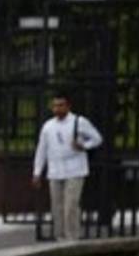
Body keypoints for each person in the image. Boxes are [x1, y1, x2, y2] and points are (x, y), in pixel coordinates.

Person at [32, 93, 102, 242]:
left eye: (61, 105)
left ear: (68, 106)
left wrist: (84, 145)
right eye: (55, 106)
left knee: (71, 205)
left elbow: (97, 138)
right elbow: (41, 150)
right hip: (55, 171)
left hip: (75, 169)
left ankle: (72, 237)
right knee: (56, 207)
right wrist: (37, 172)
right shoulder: (48, 126)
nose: (57, 109)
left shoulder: (79, 121)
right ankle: (60, 236)